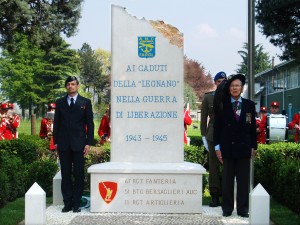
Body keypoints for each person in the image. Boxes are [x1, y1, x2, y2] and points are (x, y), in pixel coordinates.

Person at [214, 74, 257, 218]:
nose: (235, 88)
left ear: (241, 88)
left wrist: (253, 146)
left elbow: (252, 128)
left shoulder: (249, 105)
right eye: (232, 86)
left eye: (237, 85)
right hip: (227, 148)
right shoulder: (222, 105)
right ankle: (227, 208)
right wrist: (217, 147)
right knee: (227, 181)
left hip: (244, 148)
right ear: (229, 88)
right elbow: (217, 128)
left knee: (243, 181)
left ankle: (243, 209)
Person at [53, 76, 94, 213]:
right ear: (66, 87)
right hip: (64, 144)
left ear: (77, 86)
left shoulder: (85, 102)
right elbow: (56, 124)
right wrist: (56, 143)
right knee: (65, 174)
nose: (70, 86)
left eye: (73, 84)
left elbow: (90, 124)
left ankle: (76, 203)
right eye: (68, 84)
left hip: (79, 144)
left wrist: (88, 143)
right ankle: (68, 203)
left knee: (78, 174)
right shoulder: (60, 102)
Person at [201, 71, 227, 207]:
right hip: (212, 135)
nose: (222, 83)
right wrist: (203, 135)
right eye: (219, 81)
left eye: (224, 80)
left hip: (228, 135)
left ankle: (227, 193)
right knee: (214, 166)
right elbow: (204, 117)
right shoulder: (208, 98)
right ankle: (215, 195)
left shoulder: (231, 97)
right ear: (215, 83)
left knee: (228, 165)